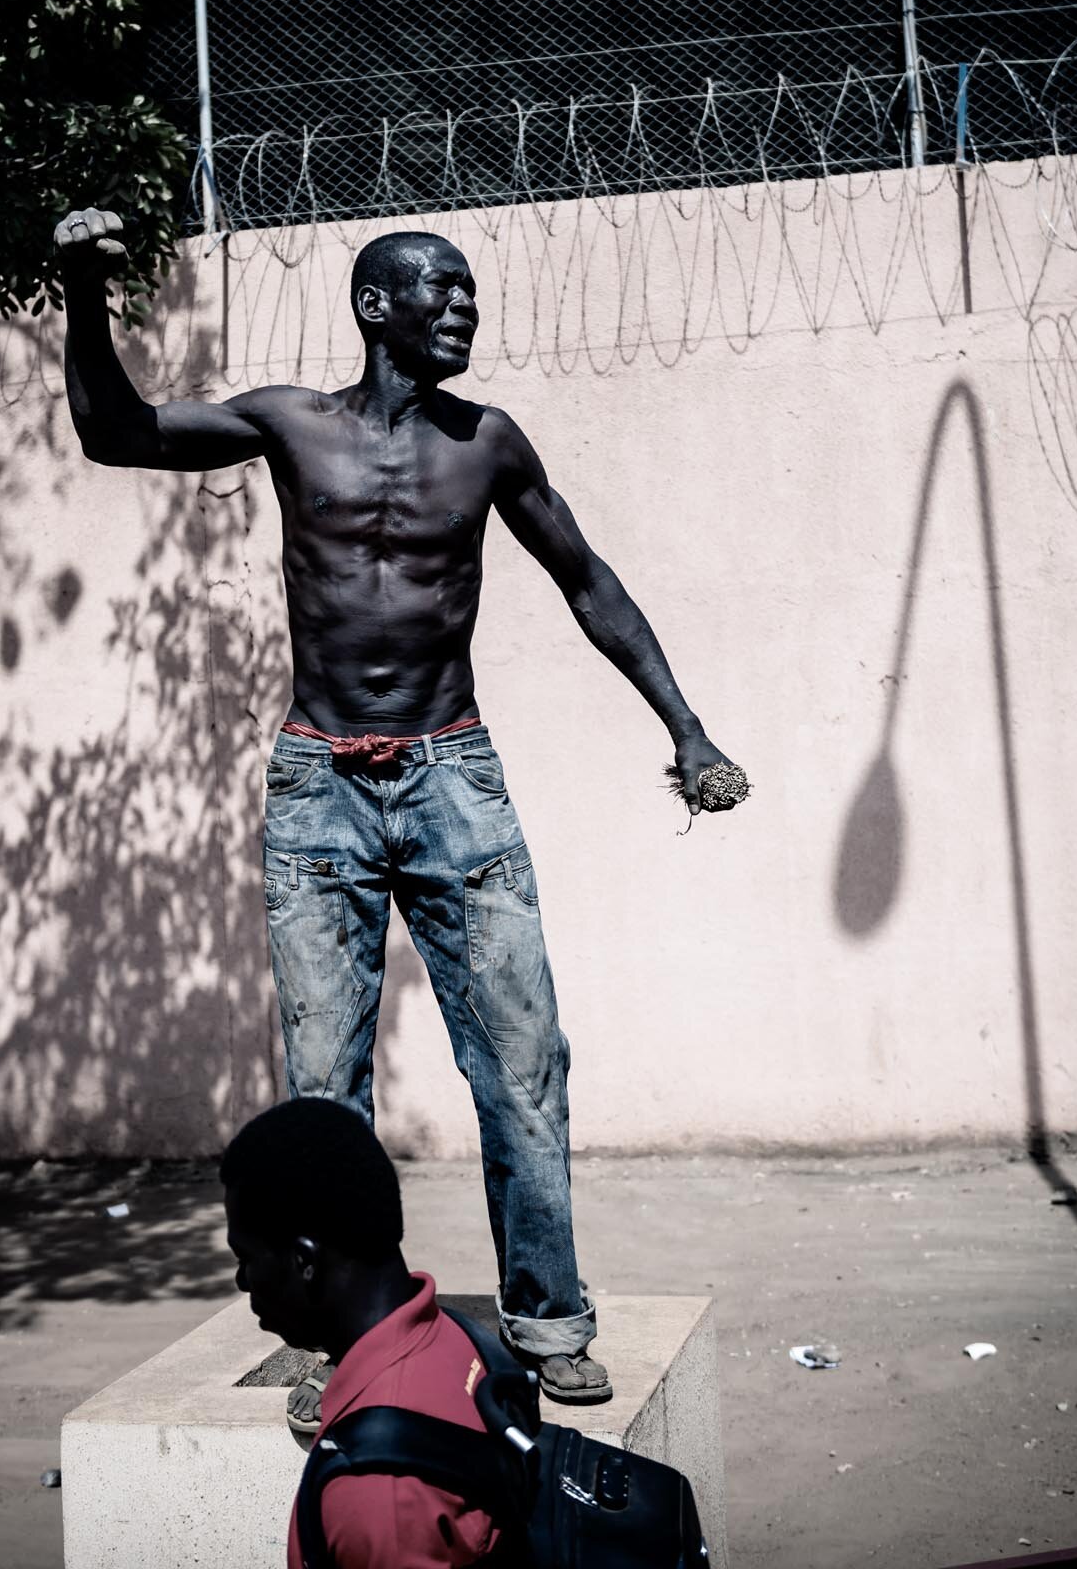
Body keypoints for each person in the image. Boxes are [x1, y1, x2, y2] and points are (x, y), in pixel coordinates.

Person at [58, 209, 738, 1412]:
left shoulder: (489, 445)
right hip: (318, 783)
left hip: (452, 780)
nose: (465, 308)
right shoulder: (288, 423)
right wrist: (79, 290)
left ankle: (545, 1319)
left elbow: (589, 582)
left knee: (524, 1063)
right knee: (323, 1089)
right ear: (378, 307)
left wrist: (684, 727)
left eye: (470, 292)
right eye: (443, 288)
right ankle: (335, 1349)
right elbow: (118, 432)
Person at [224, 1097, 502, 1569]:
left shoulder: (377, 1496)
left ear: (304, 1263)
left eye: (245, 1258)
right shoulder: (462, 1339)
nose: (241, 1282)